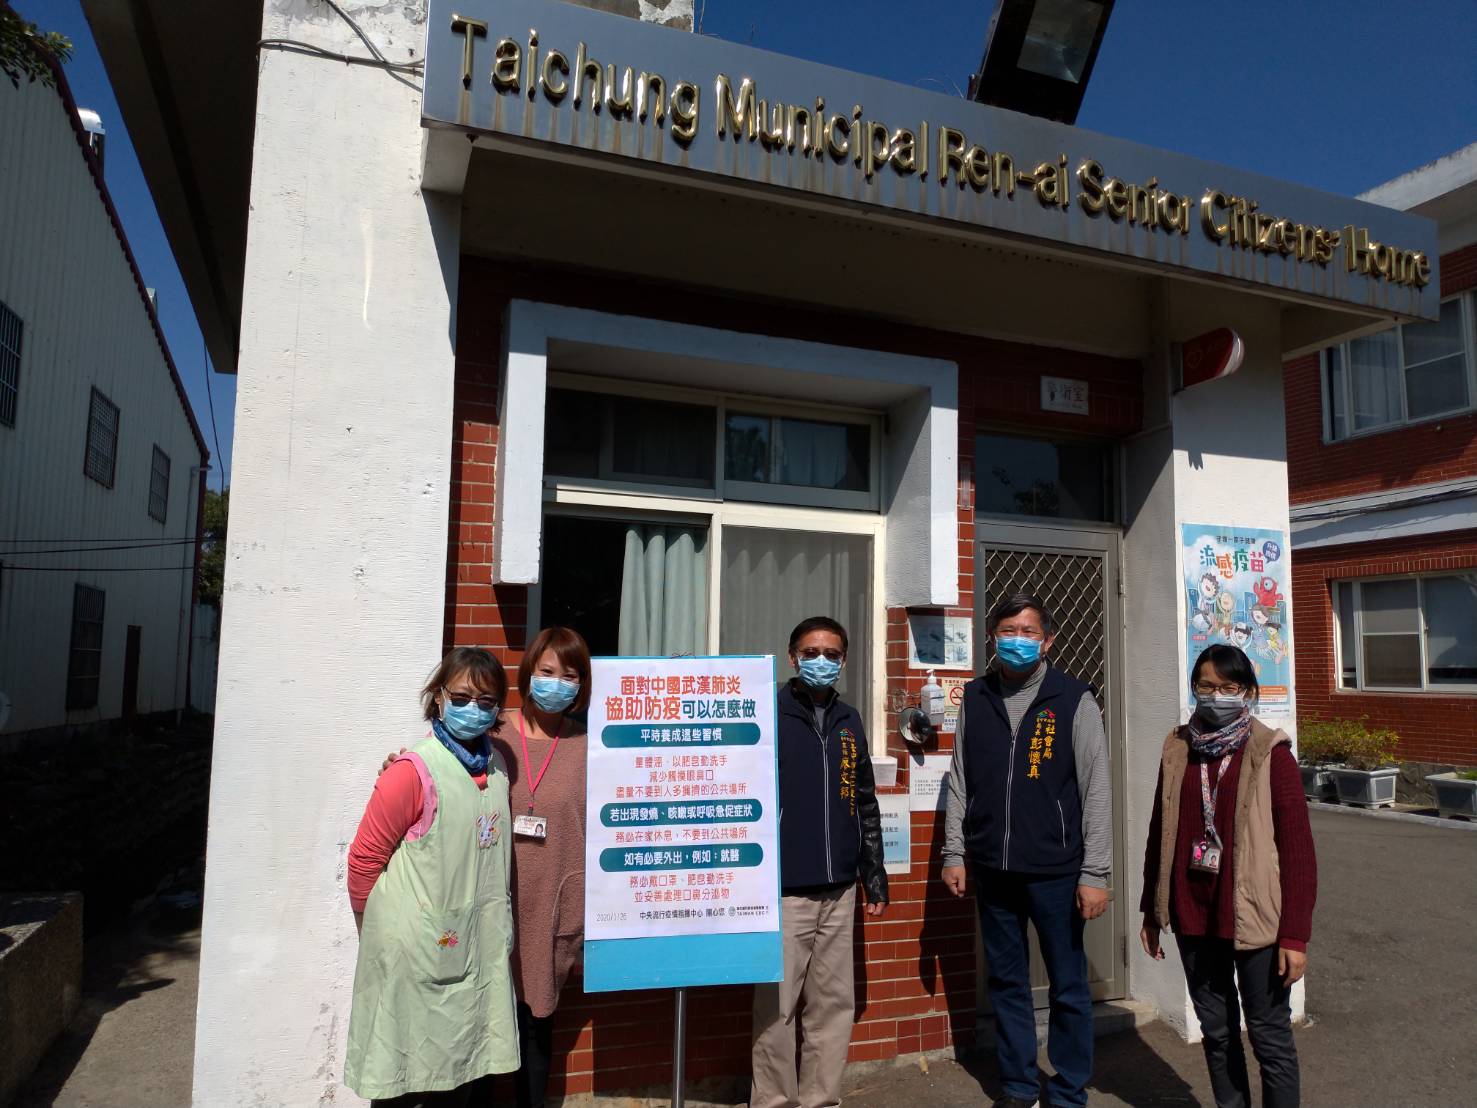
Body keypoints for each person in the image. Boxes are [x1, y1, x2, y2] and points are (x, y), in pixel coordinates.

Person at [379, 627, 592, 1108]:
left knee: (534, 1026)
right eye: (547, 671)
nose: (556, 683)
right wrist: (397, 770)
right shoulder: (492, 733)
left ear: (582, 684)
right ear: (529, 672)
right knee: (476, 1020)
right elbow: (437, 775)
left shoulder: (589, 748)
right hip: (486, 899)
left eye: (570, 675)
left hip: (550, 906)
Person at [941, 592, 1111, 1108]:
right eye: (1008, 631)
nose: (1018, 640)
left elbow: (1096, 789)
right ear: (992, 638)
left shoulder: (1074, 699)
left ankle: (1068, 1089)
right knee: (1007, 982)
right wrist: (954, 852)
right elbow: (960, 779)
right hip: (993, 867)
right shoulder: (976, 697)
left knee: (1067, 985)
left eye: (1028, 632)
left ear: (1047, 640)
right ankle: (1018, 1086)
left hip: (1056, 871)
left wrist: (1095, 872)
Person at [1139, 644, 1316, 1108]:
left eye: (1228, 687)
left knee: (1269, 1036)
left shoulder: (1270, 753)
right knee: (1217, 1034)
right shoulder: (1178, 748)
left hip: (1257, 918)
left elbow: (1298, 852)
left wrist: (1295, 935)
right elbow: (1160, 830)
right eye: (1206, 686)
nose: (1216, 695)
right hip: (1194, 914)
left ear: (1248, 692)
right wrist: (1152, 910)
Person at [344, 647, 518, 1107]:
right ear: (438, 697)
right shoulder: (411, 772)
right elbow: (364, 860)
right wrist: (372, 931)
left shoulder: (497, 767)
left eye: (486, 701)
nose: (472, 709)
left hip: (474, 949)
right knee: (408, 1080)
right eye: (460, 697)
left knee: (463, 1075)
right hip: (415, 955)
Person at [751, 616, 888, 1108]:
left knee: (832, 1006)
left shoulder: (850, 720)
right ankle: (773, 1101)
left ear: (844, 660)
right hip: (784, 889)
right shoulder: (768, 714)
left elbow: (865, 800)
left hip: (840, 888)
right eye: (811, 652)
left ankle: (821, 1100)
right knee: (777, 1009)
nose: (821, 661)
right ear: (792, 657)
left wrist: (873, 872)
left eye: (831, 654)